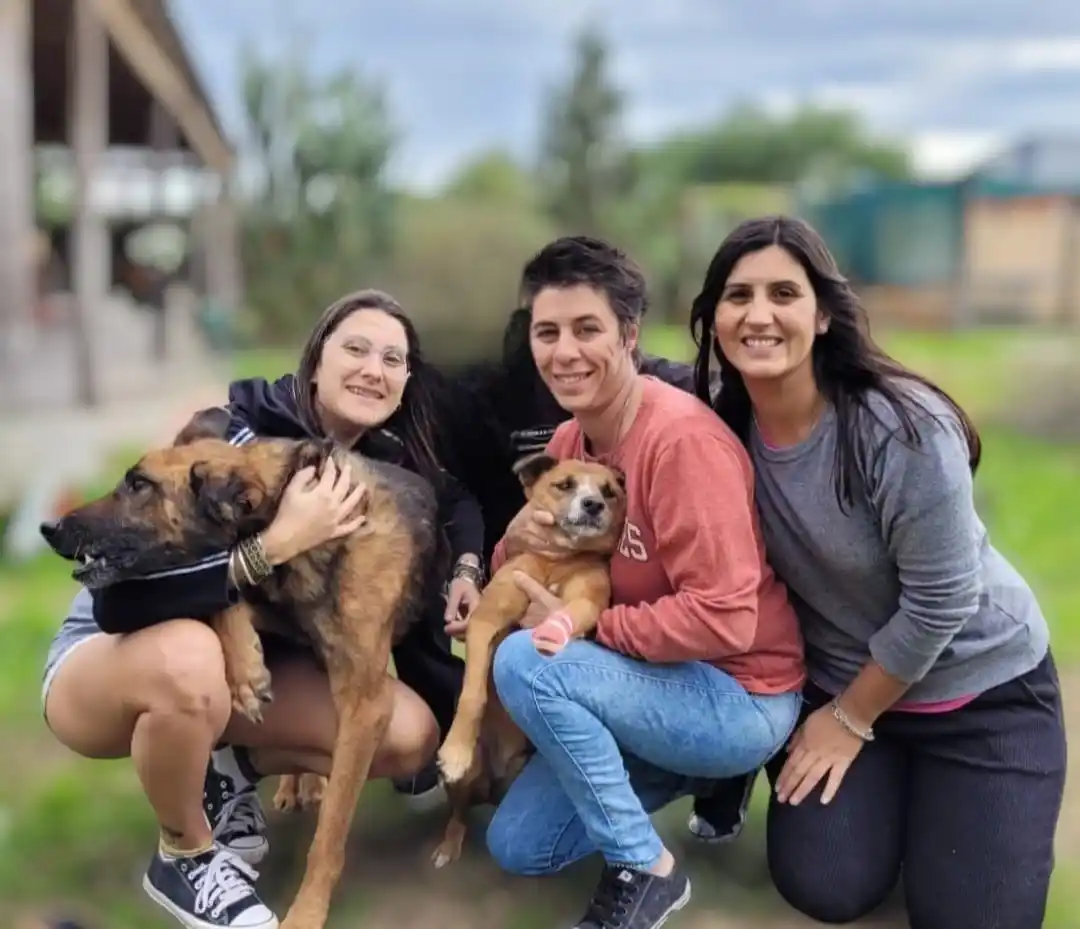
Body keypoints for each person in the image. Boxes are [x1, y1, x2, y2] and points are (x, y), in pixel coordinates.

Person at [39, 289, 485, 929]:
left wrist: (467, 568)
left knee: (407, 733)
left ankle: (226, 770)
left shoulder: (381, 465)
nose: (372, 368)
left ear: (406, 379)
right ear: (315, 360)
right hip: (112, 663)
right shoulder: (227, 438)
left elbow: (454, 501)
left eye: (392, 357)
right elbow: (126, 601)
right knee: (192, 660)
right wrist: (275, 545)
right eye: (354, 348)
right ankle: (186, 856)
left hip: (221, 687)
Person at [687, 215, 1065, 929]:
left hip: (981, 690)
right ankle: (906, 832)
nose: (758, 314)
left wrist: (851, 717)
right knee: (824, 883)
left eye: (782, 293)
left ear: (823, 313)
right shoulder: (716, 428)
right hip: (839, 681)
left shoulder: (900, 428)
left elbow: (943, 598)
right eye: (737, 296)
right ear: (714, 318)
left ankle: (952, 842)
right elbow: (621, 386)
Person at [480, 235, 807, 929]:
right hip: (655, 679)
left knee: (528, 662)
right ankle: (692, 769)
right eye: (547, 332)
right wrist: (499, 564)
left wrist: (586, 626)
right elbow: (523, 541)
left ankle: (647, 869)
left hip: (738, 690)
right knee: (519, 845)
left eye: (586, 329)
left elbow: (726, 621)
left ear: (629, 335)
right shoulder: (572, 442)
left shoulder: (680, 442)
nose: (564, 351)